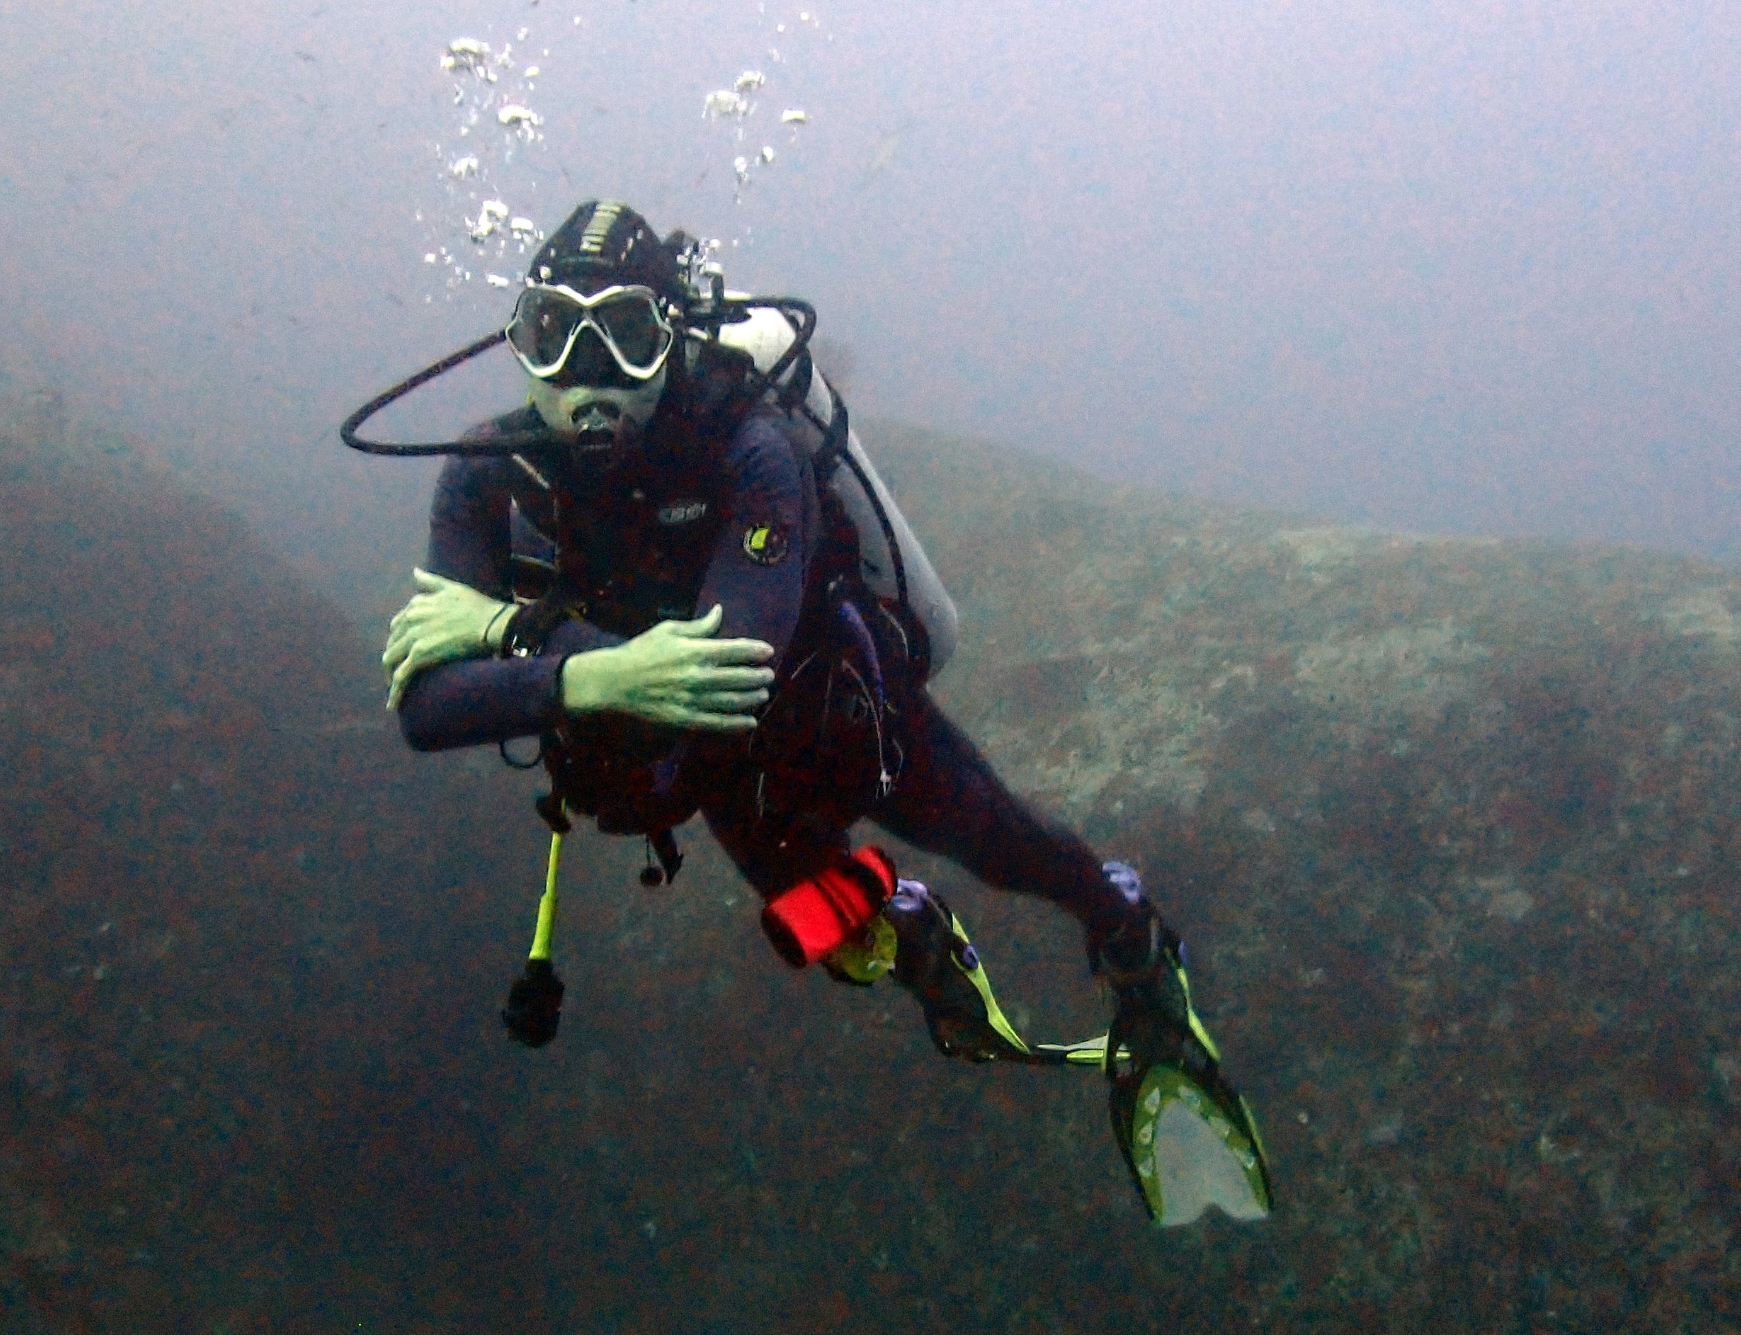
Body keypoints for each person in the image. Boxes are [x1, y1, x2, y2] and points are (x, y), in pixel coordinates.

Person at [377, 201, 1270, 1221]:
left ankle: (1130, 939)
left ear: (670, 341)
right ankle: (913, 934)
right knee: (836, 936)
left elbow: (731, 663)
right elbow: (424, 707)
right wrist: (587, 676)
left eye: (622, 337)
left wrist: (510, 634)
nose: (584, 377)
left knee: (1012, 848)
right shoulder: (489, 474)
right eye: (551, 335)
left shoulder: (748, 443)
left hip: (846, 725)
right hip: (714, 780)